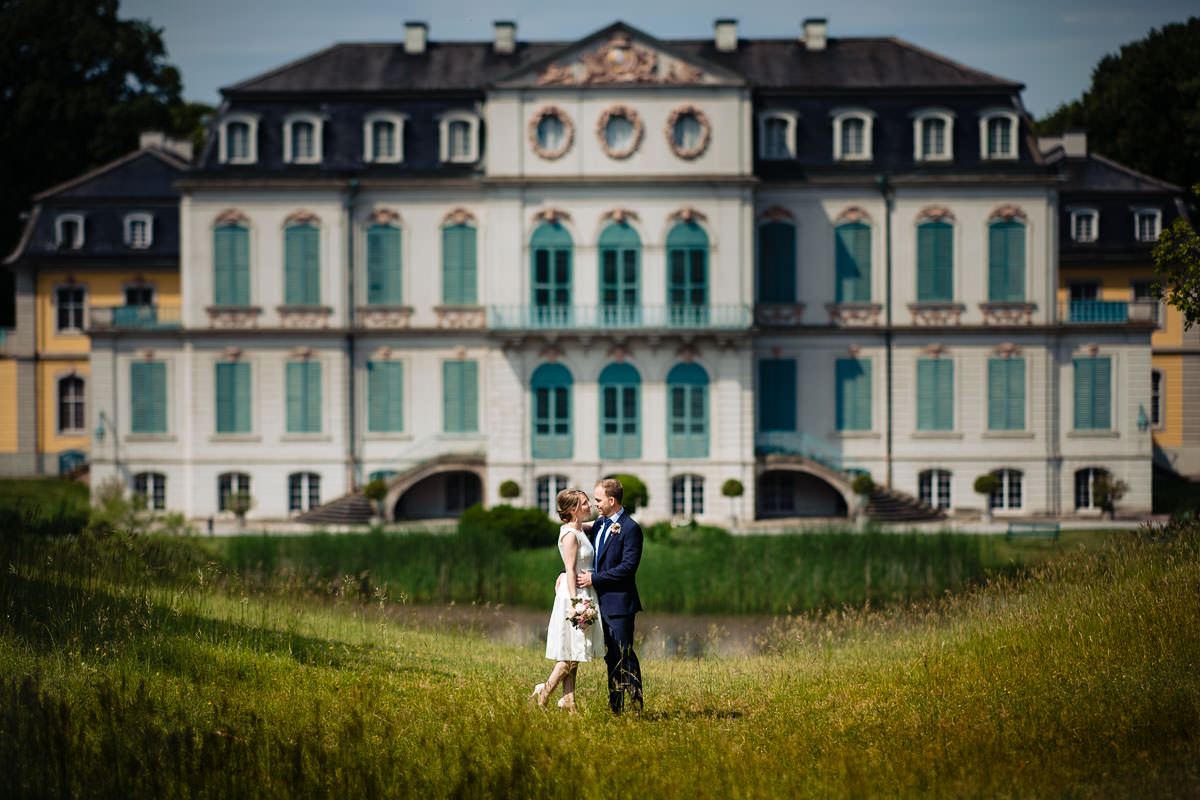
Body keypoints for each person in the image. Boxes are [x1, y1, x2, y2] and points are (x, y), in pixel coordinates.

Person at [532, 488, 604, 712]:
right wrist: (577, 605)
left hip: (583, 591)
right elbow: (571, 570)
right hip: (575, 595)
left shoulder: (579, 528)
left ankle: (569, 701)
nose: (589, 505)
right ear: (573, 510)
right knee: (571, 654)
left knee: (575, 651)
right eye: (584, 503)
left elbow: (599, 523)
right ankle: (543, 694)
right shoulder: (571, 535)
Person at [577, 477, 644, 714]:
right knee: (610, 657)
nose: (595, 504)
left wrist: (594, 579)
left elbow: (627, 568)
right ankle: (615, 708)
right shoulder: (600, 525)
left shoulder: (630, 528)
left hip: (619, 604)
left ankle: (637, 708)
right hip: (599, 603)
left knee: (625, 655)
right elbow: (584, 553)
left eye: (598, 500)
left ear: (612, 500)